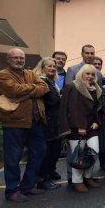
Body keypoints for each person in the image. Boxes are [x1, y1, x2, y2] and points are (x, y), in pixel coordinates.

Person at [0, 48, 49, 202]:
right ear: (8, 59)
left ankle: (27, 186)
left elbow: (44, 88)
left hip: (35, 121)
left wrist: (28, 90)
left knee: (39, 153)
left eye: (21, 58)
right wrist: (34, 89)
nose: (19, 60)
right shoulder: (3, 74)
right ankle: (12, 191)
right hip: (14, 123)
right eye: (15, 58)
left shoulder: (30, 73)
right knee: (13, 158)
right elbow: (13, 90)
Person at [59, 64, 102, 192]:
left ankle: (88, 177)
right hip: (76, 128)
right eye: (87, 74)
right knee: (78, 156)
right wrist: (78, 126)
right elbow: (68, 108)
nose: (90, 76)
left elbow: (97, 109)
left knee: (94, 152)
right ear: (81, 74)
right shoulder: (72, 86)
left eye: (92, 74)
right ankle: (77, 181)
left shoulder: (95, 88)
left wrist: (96, 121)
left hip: (91, 126)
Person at [33, 58, 62, 190]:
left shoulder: (51, 82)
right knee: (47, 152)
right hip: (46, 122)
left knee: (54, 150)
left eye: (54, 66)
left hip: (54, 121)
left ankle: (48, 175)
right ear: (42, 67)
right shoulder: (42, 81)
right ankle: (43, 180)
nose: (52, 68)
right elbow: (52, 100)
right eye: (49, 66)